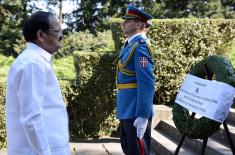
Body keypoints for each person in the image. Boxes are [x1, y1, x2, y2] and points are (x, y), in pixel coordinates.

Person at [5, 11, 69, 155]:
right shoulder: (32, 64)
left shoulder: (34, 61)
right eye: (57, 31)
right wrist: (45, 152)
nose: (61, 35)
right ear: (41, 35)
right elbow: (31, 118)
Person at [116, 5, 155, 155]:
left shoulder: (140, 47)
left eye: (128, 20)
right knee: (129, 150)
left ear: (138, 25)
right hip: (127, 108)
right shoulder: (130, 44)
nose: (123, 23)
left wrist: (143, 115)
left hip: (135, 110)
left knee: (138, 151)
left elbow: (147, 83)